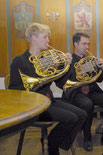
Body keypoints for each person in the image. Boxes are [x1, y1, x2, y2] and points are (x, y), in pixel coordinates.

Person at [9, 23, 87, 155]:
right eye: (45, 37)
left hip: (49, 102)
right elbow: (14, 89)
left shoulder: (47, 60)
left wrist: (66, 66)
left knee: (82, 115)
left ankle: (52, 143)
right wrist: (34, 88)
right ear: (33, 38)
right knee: (71, 118)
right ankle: (53, 147)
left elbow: (61, 83)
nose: (48, 40)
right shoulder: (19, 61)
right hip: (34, 107)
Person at [59, 32, 103, 151]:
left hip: (92, 90)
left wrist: (100, 68)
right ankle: (87, 138)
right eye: (84, 44)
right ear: (75, 44)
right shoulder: (68, 60)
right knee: (87, 104)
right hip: (75, 92)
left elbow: (100, 79)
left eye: (88, 44)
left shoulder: (90, 60)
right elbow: (62, 81)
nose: (87, 47)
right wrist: (68, 65)